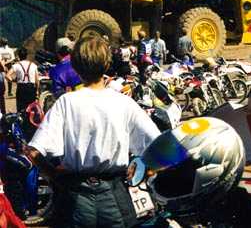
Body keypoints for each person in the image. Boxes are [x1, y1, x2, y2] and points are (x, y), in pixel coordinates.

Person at [27, 36, 160, 228]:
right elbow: (159, 145)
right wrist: (144, 170)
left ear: (76, 66)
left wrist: (55, 176)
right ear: (107, 64)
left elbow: (33, 151)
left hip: (74, 199)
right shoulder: (124, 103)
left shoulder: (66, 103)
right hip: (116, 197)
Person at [6, 47, 39, 112]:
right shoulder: (33, 65)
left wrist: (13, 81)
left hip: (21, 88)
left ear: (18, 56)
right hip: (31, 88)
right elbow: (37, 80)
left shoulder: (16, 65)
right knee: (31, 109)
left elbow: (7, 76)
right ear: (26, 55)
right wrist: (37, 90)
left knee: (21, 109)